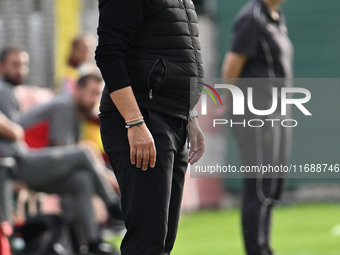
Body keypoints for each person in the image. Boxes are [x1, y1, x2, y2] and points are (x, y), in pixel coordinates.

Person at [95, 0, 205, 254]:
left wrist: (191, 115)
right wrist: (134, 121)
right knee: (147, 242)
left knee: (162, 242)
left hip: (172, 119)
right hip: (144, 118)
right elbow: (109, 54)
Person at [0, 47, 119, 255]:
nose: (94, 100)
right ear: (77, 90)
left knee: (81, 180)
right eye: (92, 93)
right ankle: (114, 206)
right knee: (84, 153)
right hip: (21, 162)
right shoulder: (63, 105)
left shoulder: (74, 112)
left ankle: (92, 242)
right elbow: (59, 150)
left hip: (25, 161)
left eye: (98, 94)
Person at [222, 0, 293, 255]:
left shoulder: (275, 17)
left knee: (273, 186)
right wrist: (224, 104)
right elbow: (232, 64)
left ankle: (264, 247)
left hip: (278, 113)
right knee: (259, 187)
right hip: (256, 113)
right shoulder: (250, 17)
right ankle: (257, 250)